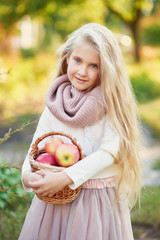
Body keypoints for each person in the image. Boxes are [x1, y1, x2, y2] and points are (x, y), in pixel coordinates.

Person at [19, 23, 142, 240]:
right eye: (78, 61)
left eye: (94, 66)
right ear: (67, 57)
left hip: (95, 203)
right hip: (54, 203)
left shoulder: (110, 104)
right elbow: (36, 146)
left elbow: (108, 152)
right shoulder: (56, 101)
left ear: (106, 69)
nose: (83, 72)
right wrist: (27, 175)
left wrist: (66, 177)